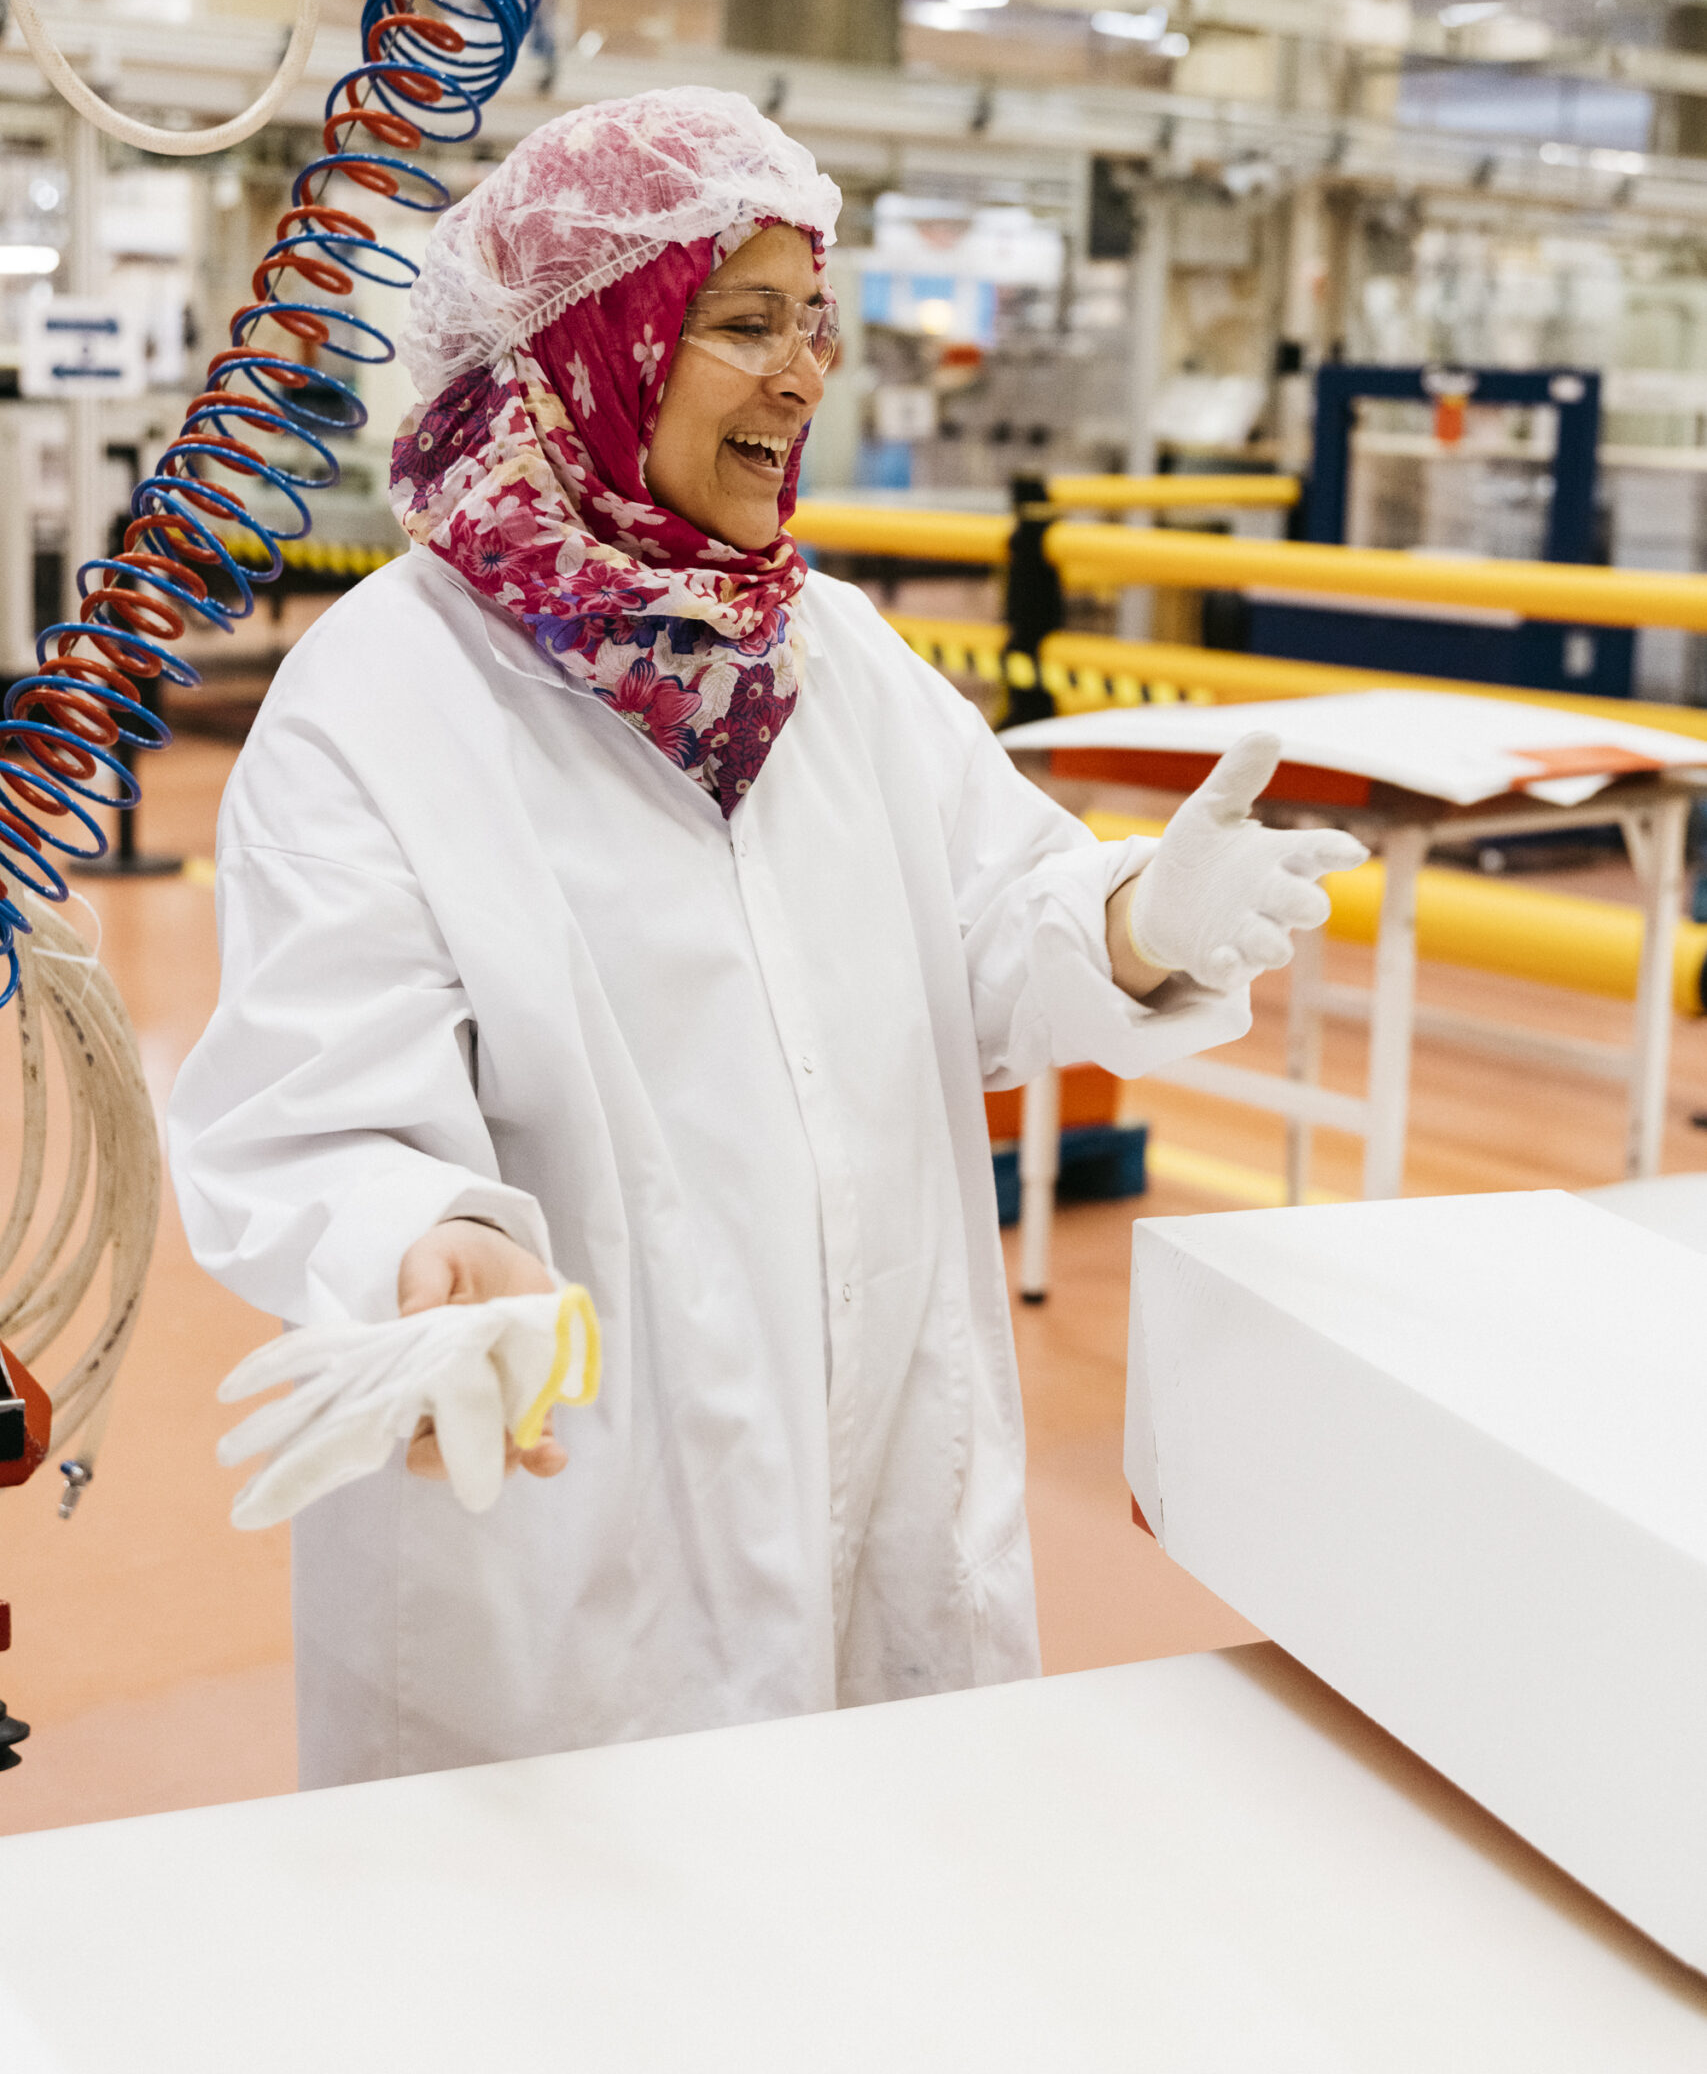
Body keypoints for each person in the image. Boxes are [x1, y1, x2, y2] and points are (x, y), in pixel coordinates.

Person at [169, 86, 1361, 1788]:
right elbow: (313, 1107)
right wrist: (425, 1240)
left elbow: (986, 927)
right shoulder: (383, 696)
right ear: (590, 344)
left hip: (878, 1486)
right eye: (743, 324)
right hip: (571, 1544)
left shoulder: (830, 655)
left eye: (814, 322)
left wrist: (1130, 923)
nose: (803, 375)